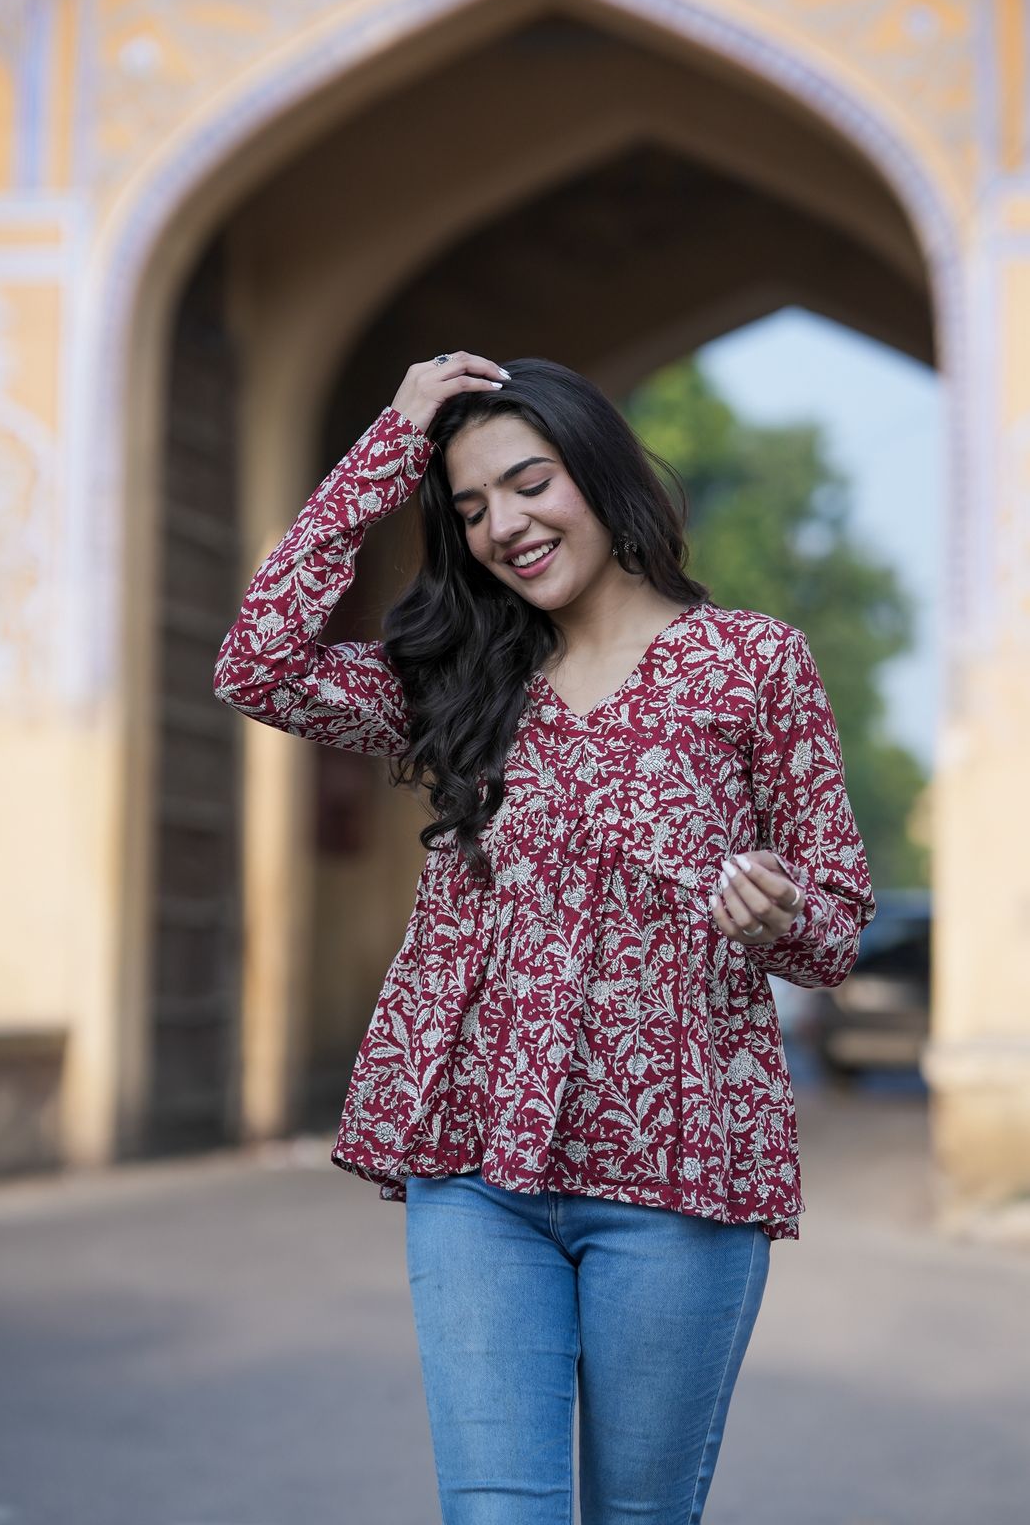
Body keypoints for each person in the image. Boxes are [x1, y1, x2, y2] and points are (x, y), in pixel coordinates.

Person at [214, 351, 876, 1524]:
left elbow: (832, 925)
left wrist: (780, 913)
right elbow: (256, 661)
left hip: (681, 1173)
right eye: (469, 508)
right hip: (477, 1169)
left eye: (529, 483)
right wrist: (390, 443)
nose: (503, 526)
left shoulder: (753, 662)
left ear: (601, 477)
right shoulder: (464, 676)